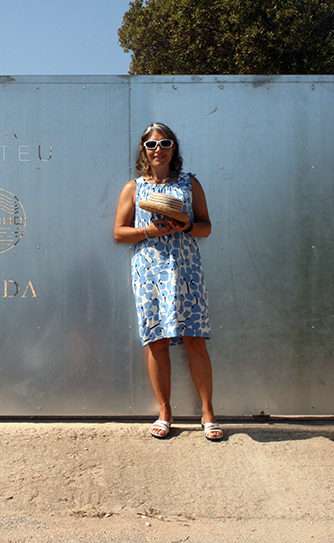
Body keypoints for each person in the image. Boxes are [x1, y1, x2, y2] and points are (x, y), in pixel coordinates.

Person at [113, 122, 221, 441]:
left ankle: (208, 413)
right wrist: (150, 231)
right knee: (156, 340)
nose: (158, 149)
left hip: (186, 268)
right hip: (149, 271)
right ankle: (165, 411)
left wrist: (184, 227)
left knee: (194, 339)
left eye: (165, 143)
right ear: (143, 151)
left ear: (174, 149)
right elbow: (119, 233)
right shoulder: (133, 188)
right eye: (151, 145)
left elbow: (206, 227)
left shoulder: (190, 184)